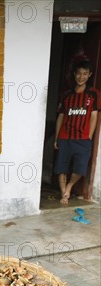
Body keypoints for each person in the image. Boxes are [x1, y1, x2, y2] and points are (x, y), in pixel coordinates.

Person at [54, 59, 100, 205]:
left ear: (89, 75)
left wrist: (89, 136)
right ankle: (64, 193)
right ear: (74, 75)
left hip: (82, 138)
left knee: (80, 168)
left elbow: (94, 116)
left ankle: (69, 186)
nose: (81, 77)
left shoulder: (93, 94)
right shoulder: (66, 95)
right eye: (79, 73)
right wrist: (56, 138)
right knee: (61, 167)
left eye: (85, 74)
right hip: (65, 137)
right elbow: (60, 117)